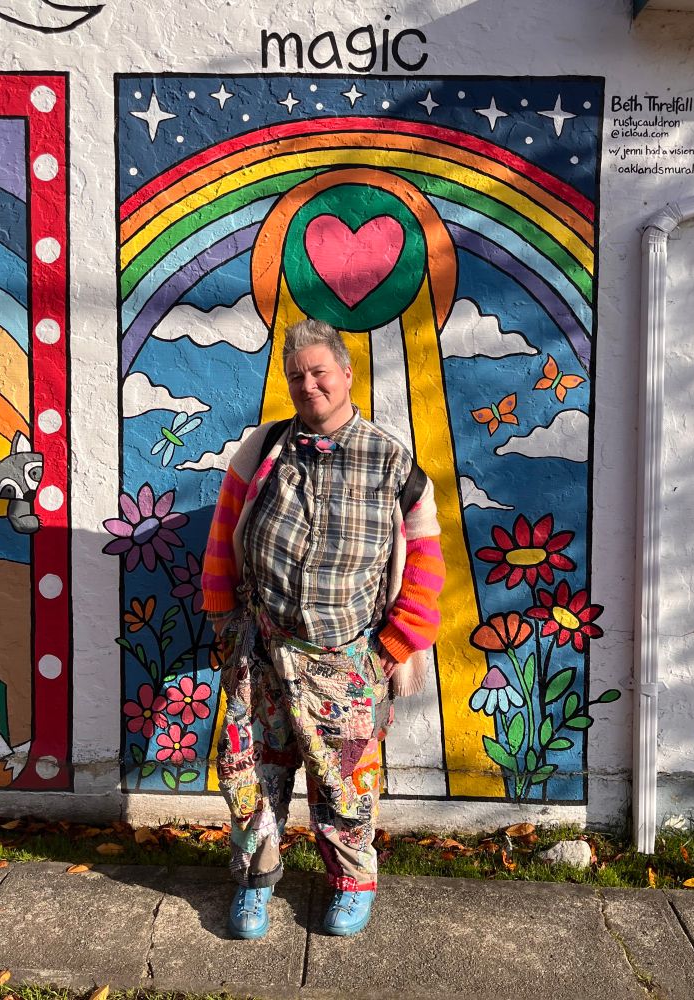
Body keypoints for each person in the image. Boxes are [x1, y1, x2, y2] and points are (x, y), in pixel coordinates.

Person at [201, 318, 444, 939]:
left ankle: (352, 882)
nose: (308, 386)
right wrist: (226, 623)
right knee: (253, 774)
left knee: (346, 778)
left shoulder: (390, 458)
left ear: (347, 375)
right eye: (296, 376)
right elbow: (225, 532)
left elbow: (424, 556)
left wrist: (399, 639)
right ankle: (256, 882)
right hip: (260, 648)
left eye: (319, 372)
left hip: (344, 656)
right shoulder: (263, 449)